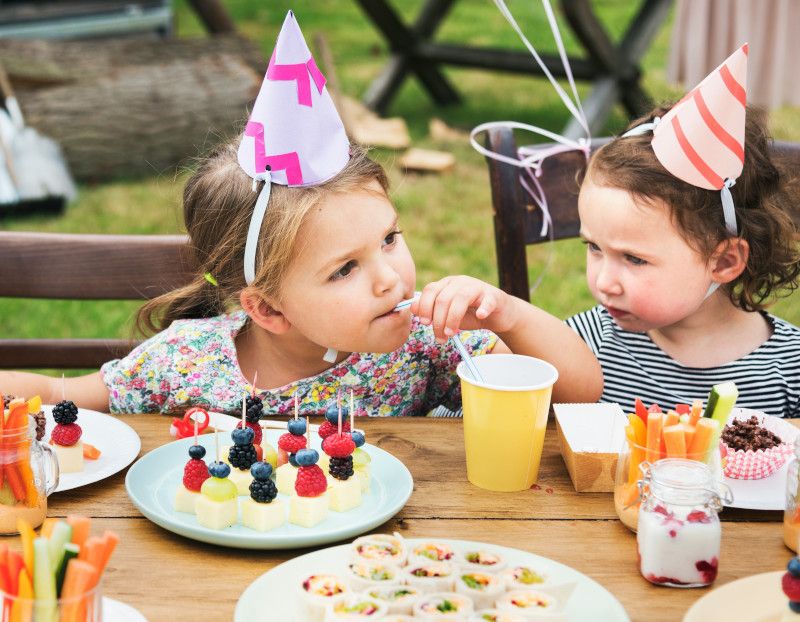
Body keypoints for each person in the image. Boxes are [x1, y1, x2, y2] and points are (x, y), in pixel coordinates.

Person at [0, 12, 602, 417]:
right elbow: (59, 394)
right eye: (345, 269)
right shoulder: (188, 363)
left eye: (390, 239)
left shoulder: (426, 347)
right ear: (266, 307)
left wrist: (511, 316)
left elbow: (578, 396)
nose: (391, 277)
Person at [567, 47, 799, 417]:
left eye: (634, 258)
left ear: (723, 261)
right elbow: (460, 416)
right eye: (594, 247)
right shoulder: (582, 347)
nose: (604, 283)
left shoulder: (789, 371)